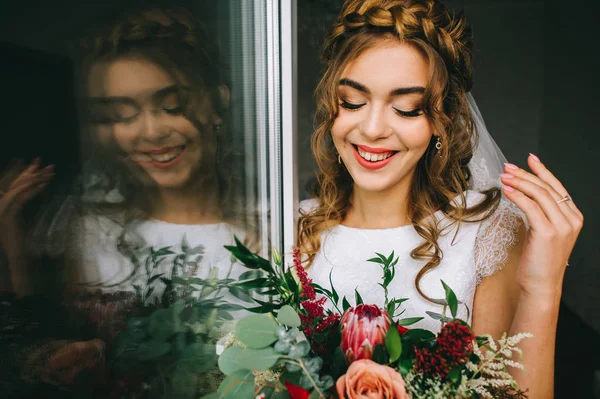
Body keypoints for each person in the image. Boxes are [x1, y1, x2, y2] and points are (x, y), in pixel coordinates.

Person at [297, 1, 583, 398]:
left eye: (406, 108)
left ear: (439, 122)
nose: (373, 128)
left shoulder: (487, 233)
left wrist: (543, 287)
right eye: (352, 102)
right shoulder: (291, 231)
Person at [0, 6, 254, 397]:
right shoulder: (81, 227)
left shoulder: (273, 229)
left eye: (172, 106)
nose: (148, 132)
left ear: (216, 103)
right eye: (117, 116)